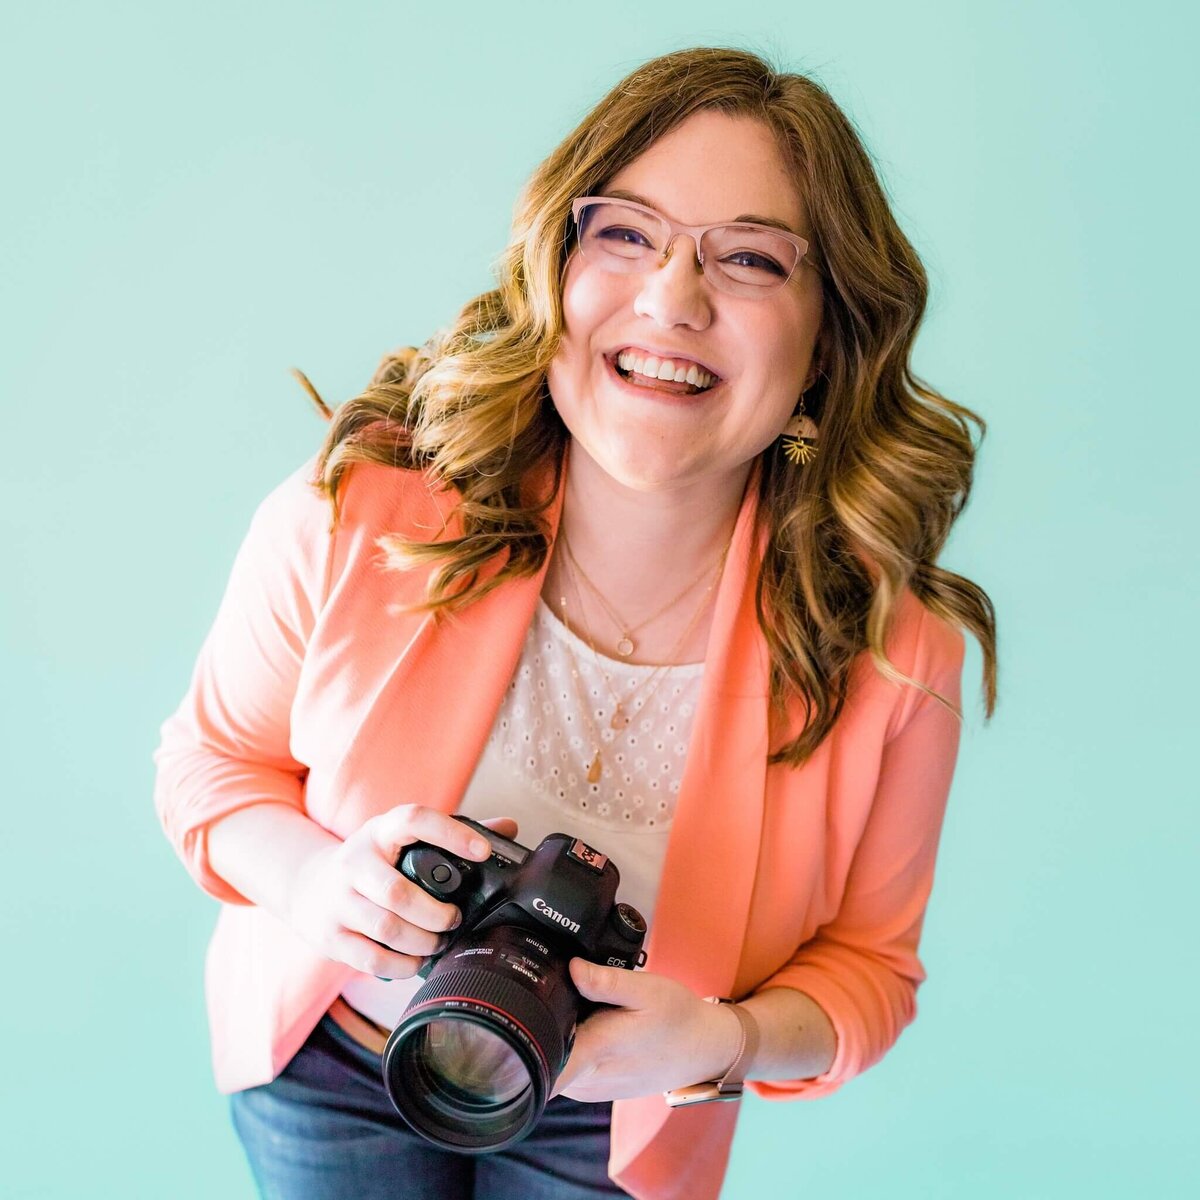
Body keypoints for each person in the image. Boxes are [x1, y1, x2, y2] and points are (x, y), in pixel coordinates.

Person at [154, 45, 997, 1200]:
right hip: (329, 1060)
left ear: (827, 342)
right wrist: (313, 885)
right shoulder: (363, 509)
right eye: (625, 233)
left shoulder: (896, 657)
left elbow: (868, 974)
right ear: (555, 268)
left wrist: (721, 1042)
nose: (673, 298)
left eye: (748, 259)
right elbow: (211, 769)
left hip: (627, 1130)